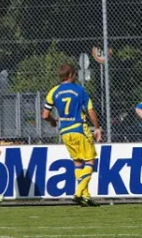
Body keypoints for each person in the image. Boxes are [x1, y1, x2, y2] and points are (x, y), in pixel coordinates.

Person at [43, 63, 101, 207]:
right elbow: (90, 110)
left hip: (65, 132)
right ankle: (78, 192)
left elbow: (45, 115)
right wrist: (97, 127)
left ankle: (86, 196)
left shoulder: (53, 92)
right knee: (90, 161)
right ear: (71, 75)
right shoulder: (79, 90)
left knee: (77, 162)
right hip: (79, 129)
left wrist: (52, 122)